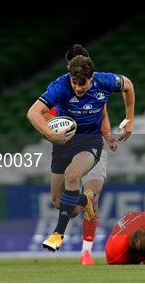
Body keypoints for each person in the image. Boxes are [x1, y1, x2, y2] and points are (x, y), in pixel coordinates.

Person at [27, 51, 135, 252]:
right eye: (74, 83)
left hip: (89, 141)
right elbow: (33, 112)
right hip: (63, 141)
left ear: (91, 78)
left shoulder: (105, 81)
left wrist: (129, 119)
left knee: (72, 175)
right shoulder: (60, 86)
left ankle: (57, 234)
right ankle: (85, 201)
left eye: (82, 84)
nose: (77, 87)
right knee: (61, 203)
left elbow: (128, 85)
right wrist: (50, 134)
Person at [43, 44, 119, 265]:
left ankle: (86, 252)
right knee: (63, 203)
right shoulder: (61, 90)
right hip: (67, 144)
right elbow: (47, 115)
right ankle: (82, 202)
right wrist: (60, 128)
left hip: (92, 144)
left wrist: (108, 135)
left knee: (92, 193)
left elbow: (103, 114)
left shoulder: (96, 87)